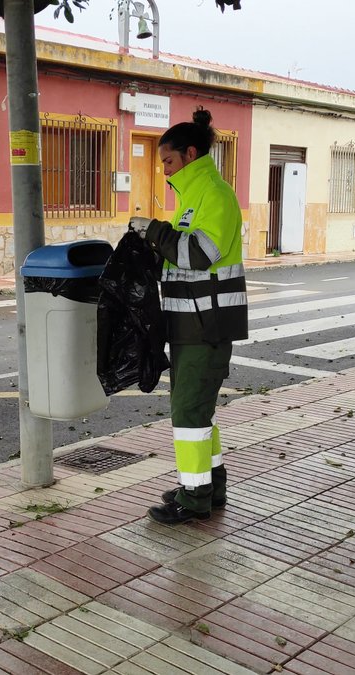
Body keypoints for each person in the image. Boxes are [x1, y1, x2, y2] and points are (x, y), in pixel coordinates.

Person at [129, 108, 247, 525]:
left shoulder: (213, 195)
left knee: (188, 416)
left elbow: (198, 255)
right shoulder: (193, 198)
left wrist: (154, 231)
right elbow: (178, 260)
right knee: (199, 412)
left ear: (190, 154)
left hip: (206, 326)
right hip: (191, 326)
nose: (163, 171)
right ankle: (211, 485)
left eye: (168, 161)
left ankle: (194, 496)